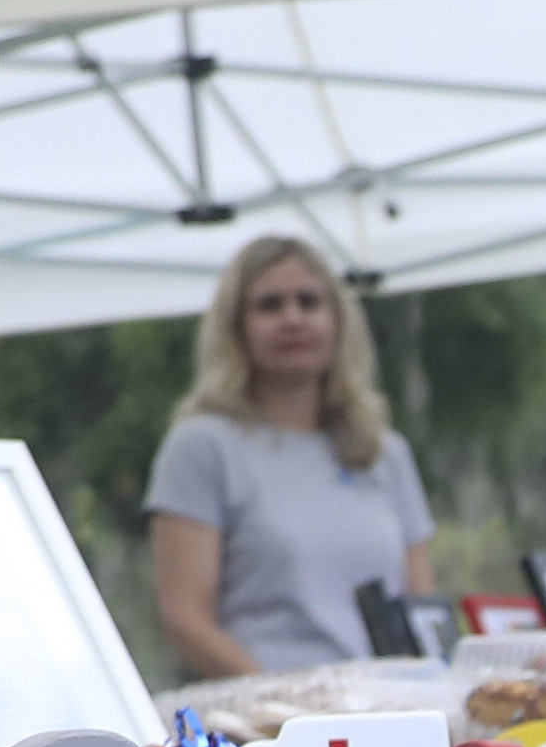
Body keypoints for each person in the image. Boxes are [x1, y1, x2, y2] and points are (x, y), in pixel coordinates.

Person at [144, 236, 432, 694]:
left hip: (388, 710)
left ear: (338, 320)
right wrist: (286, 703)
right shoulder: (202, 446)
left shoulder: (383, 451)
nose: (292, 318)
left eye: (309, 302)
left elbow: (421, 607)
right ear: (236, 328)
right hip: (264, 720)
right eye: (270, 305)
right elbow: (184, 615)